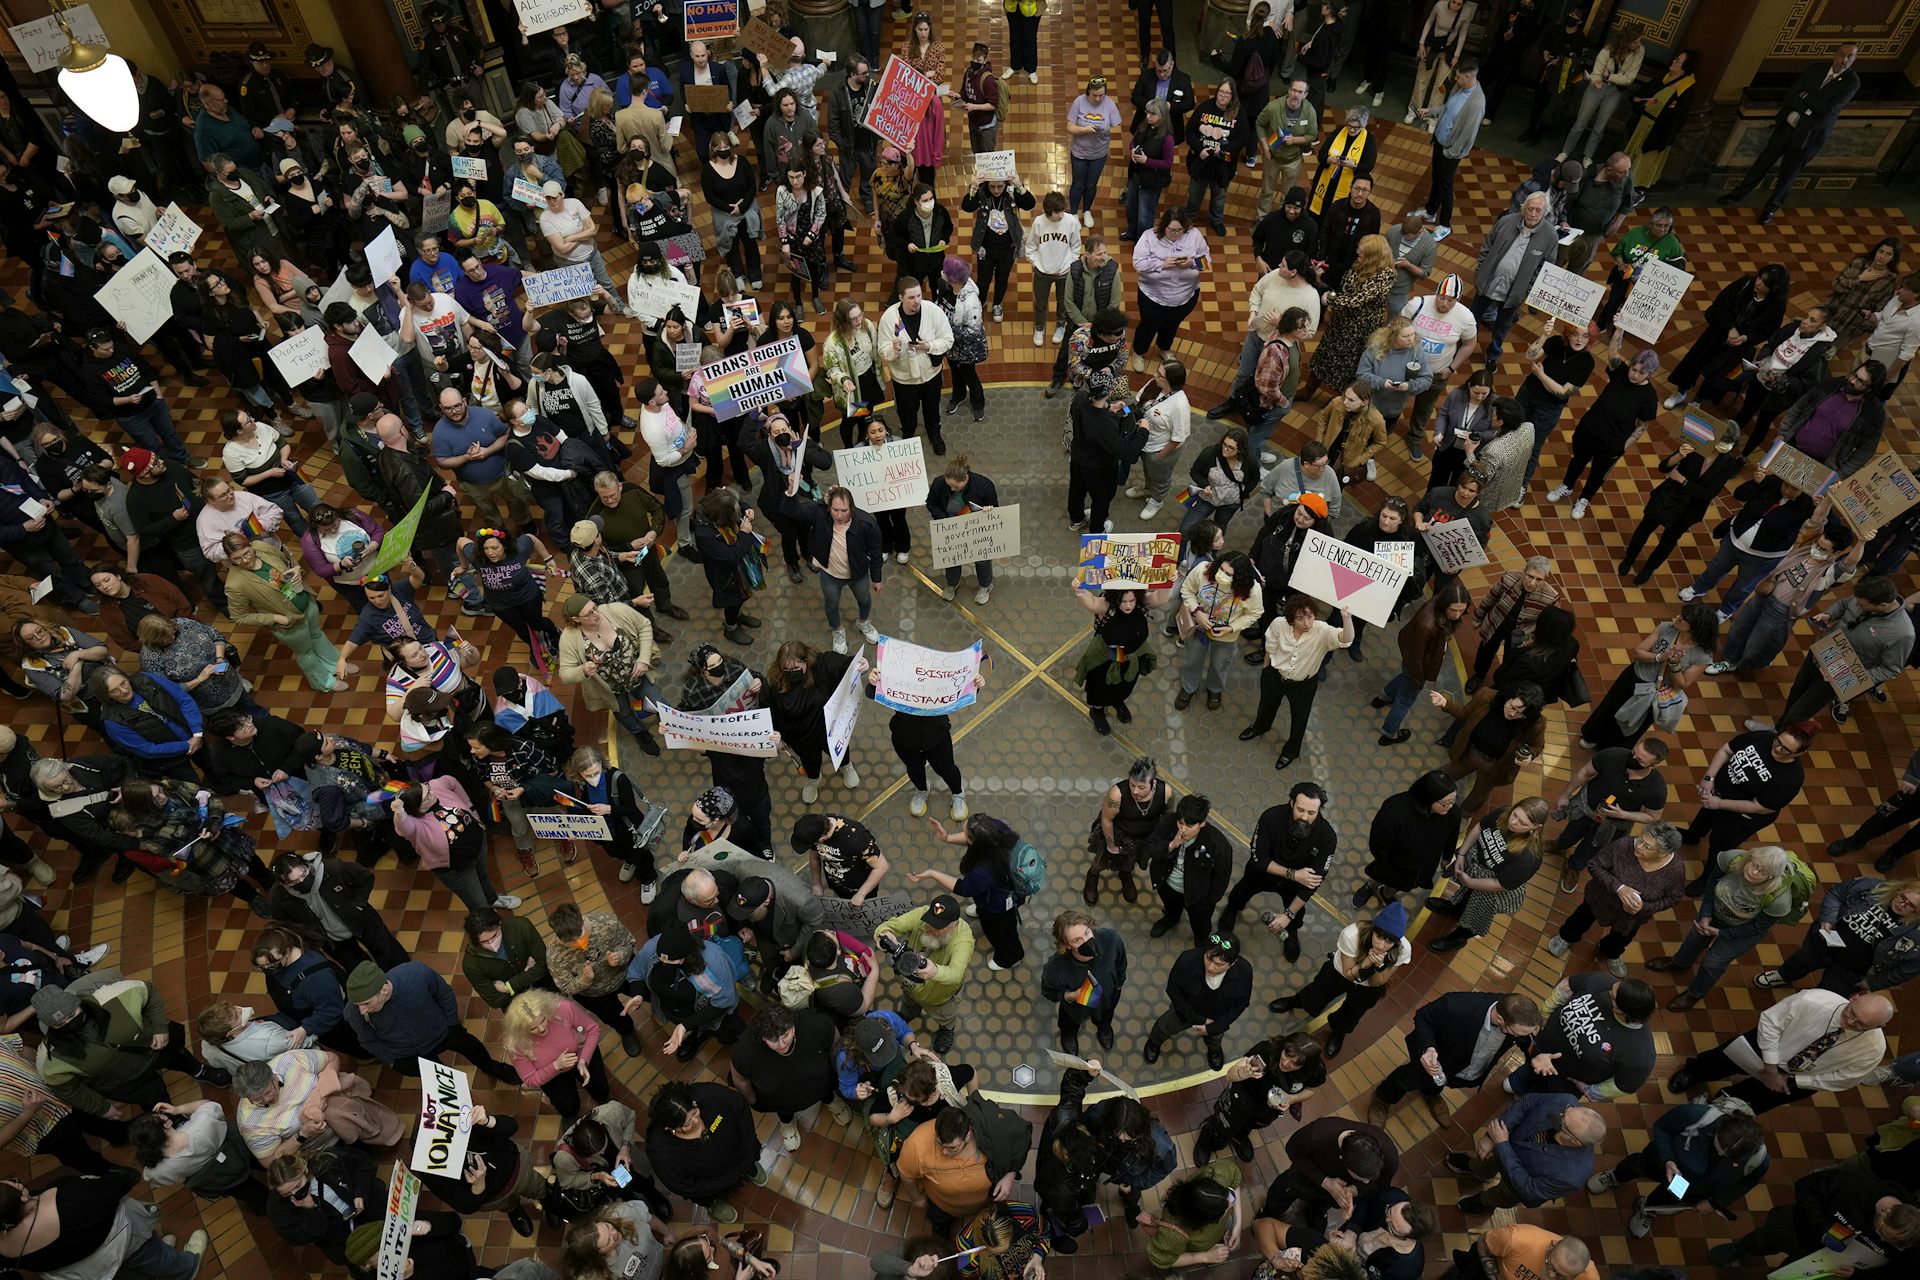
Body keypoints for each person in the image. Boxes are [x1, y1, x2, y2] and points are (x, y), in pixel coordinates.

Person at [32, 974, 231, 1117]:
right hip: (126, 1082)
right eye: (60, 1024)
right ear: (51, 1027)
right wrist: (101, 1108)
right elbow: (68, 1089)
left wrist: (160, 1028)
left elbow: (149, 991)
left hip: (153, 1049)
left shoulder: (111, 997)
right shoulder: (51, 1058)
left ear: (78, 1004)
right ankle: (171, 1119)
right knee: (154, 1098)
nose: (69, 1023)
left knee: (179, 1056)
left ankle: (199, 1071)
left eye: (72, 1015)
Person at [1669, 988, 1893, 1114]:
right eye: (1850, 1013)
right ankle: (1693, 1073)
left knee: (1754, 1101)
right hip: (1767, 1046)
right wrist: (1771, 1067)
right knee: (1718, 1061)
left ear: (1878, 1027)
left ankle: (1721, 1107)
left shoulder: (1873, 1050)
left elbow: (1843, 1079)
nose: (1849, 1022)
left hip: (1801, 1078)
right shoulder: (1813, 1000)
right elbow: (1769, 1022)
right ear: (1854, 997)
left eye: (1860, 1024)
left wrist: (1794, 1081)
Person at [1718, 45, 1861, 224]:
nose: (1845, 60)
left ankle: (1771, 209)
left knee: (1789, 173)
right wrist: (1808, 106)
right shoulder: (1816, 69)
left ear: (1855, 59)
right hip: (1787, 126)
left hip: (1809, 135)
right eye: (1842, 55)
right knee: (1764, 160)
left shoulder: (1852, 82)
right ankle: (1738, 194)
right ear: (1835, 55)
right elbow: (1792, 94)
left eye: (1850, 56)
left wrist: (1805, 97)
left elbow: (1828, 109)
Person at [1588, 1101, 1769, 1239]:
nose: (1721, 1153)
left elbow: (1747, 1183)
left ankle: (1649, 1210)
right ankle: (1615, 1177)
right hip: (1662, 1161)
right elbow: (1662, 1128)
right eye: (1720, 1145)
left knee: (1667, 1199)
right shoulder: (1695, 1115)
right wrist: (1668, 1159)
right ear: (1719, 1129)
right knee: (1635, 1166)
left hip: (1689, 1188)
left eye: (1730, 1156)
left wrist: (1715, 1203)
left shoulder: (1758, 1159)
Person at [1370, 990, 1540, 1126]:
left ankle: (1431, 1092)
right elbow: (1423, 1017)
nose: (1523, 1036)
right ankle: (1383, 1098)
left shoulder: (1517, 1019)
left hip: (1464, 1068)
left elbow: (1526, 1040)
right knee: (1407, 1079)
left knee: (1439, 1082)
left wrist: (1538, 1056)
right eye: (1518, 1033)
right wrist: (1428, 1048)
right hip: (1437, 1059)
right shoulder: (1457, 1005)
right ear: (1501, 1019)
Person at [340, 960, 520, 1082]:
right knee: (441, 1081)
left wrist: (452, 1024)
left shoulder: (416, 973)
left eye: (366, 1003)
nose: (362, 1010)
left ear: (385, 988)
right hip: (407, 1055)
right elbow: (368, 1040)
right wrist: (393, 1061)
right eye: (357, 1005)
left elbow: (444, 994)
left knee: (471, 1046)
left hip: (442, 1032)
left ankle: (493, 1069)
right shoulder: (353, 1011)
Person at [1276, 903, 1412, 1059]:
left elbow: (1377, 982)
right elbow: (1348, 974)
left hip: (1368, 988)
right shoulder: (1352, 935)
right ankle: (1297, 1001)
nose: (1382, 945)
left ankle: (1338, 1032)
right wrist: (1365, 963)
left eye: (1389, 942)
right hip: (1340, 973)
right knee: (1318, 991)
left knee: (1352, 1013)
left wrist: (1377, 965)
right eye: (1379, 937)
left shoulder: (1403, 949)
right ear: (1373, 930)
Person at [1551, 823, 1688, 977]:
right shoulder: (1623, 845)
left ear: (1663, 853)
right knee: (1581, 918)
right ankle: (1566, 937)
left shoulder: (1675, 869)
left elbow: (1674, 897)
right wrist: (1619, 888)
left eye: (1647, 846)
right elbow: (1595, 865)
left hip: (1632, 917)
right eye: (1639, 839)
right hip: (1600, 898)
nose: (1638, 846)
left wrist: (1644, 907)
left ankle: (1611, 953)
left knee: (1621, 938)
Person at [1217, 781, 1334, 960]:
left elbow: (1311, 884)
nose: (1304, 817)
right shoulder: (1270, 817)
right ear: (1292, 803)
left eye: (1311, 813)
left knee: (1296, 915)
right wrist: (1293, 874)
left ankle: (1291, 933)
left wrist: (1288, 915)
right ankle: (1232, 910)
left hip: (1294, 885)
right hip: (1262, 874)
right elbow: (1258, 859)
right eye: (1300, 810)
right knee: (1239, 894)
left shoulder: (1327, 836)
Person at [231, 1048, 404, 1163]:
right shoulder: (251, 1123)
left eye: (269, 1091)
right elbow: (270, 1160)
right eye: (257, 1100)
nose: (266, 1100)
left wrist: (320, 1093)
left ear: (274, 1077)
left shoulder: (289, 1061)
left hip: (347, 1111)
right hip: (324, 1149)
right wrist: (302, 1135)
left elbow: (331, 1059)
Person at [895, 1090, 1034, 1233]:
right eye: (939, 1144)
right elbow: (906, 1173)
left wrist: (1010, 1175)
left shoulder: (994, 1130)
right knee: (939, 1222)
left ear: (968, 1134)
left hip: (986, 1202)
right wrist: (916, 1198)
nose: (944, 1152)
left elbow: (1022, 1137)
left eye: (952, 1148)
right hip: (942, 1206)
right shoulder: (916, 1144)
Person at [1448, 1092, 1606, 1214]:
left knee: (1502, 1196)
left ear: (1574, 1141)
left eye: (1562, 1122)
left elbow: (1527, 1191)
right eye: (1566, 1111)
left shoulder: (1571, 1177)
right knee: (1486, 1161)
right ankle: (1478, 1169)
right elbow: (1526, 1103)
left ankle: (1483, 1202)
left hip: (1515, 1182)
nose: (1558, 1114)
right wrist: (1491, 1138)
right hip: (1506, 1142)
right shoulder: (1567, 1101)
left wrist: (1502, 1144)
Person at [1426, 796, 1549, 953]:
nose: (1513, 822)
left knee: (1476, 916)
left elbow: (1501, 884)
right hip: (1477, 870)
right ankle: (1454, 909)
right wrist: (1462, 854)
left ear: (1536, 827)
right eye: (1515, 815)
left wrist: (1470, 882)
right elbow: (1479, 828)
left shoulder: (1529, 856)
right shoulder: (1504, 813)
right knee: (1465, 896)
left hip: (1493, 888)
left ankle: (1459, 937)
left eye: (1522, 823)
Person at [1508, 972, 1658, 1100]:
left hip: (1562, 1085)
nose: (1606, 992)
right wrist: (1545, 1013)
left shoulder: (1640, 1053)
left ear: (1625, 1011)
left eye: (1612, 997)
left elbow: (1624, 1086)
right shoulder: (1602, 981)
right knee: (1517, 1080)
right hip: (1539, 1051)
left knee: (1537, 1106)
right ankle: (1518, 1083)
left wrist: (1589, 1091)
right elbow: (1566, 986)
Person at [1663, 264, 1791, 411]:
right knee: (1695, 362)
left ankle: (1698, 399)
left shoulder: (1777, 305)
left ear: (1774, 288)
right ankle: (1680, 393)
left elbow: (1767, 330)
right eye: (1759, 277)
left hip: (1739, 345)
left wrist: (1746, 338)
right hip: (1717, 333)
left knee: (1717, 373)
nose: (1758, 282)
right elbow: (1718, 306)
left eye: (1765, 282)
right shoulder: (1745, 283)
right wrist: (1730, 328)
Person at [644, 1081, 767, 1224]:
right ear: (669, 1129)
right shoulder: (661, 1154)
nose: (695, 1121)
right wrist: (733, 1177)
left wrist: (749, 1154)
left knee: (749, 1155)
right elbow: (687, 1187)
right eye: (687, 1124)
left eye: (694, 1112)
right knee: (709, 1196)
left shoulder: (708, 1094)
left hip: (740, 1154)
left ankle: (750, 1166)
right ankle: (714, 1203)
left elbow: (740, 1108)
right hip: (710, 1184)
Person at [874, 895, 973, 1054]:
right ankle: (908, 1014)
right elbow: (895, 924)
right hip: (910, 986)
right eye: (930, 921)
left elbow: (956, 974)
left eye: (939, 926)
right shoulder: (922, 914)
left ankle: (946, 1029)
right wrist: (884, 932)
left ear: (954, 924)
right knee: (908, 1002)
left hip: (939, 996)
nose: (931, 927)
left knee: (945, 1016)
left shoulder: (963, 941)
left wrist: (935, 971)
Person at [500, 988, 610, 1123]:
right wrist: (556, 1066)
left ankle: (604, 1098)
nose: (541, 1029)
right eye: (532, 1028)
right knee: (568, 1107)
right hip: (552, 1077)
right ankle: (571, 1115)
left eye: (542, 1020)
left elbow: (592, 1029)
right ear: (521, 1029)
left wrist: (583, 1060)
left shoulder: (563, 1008)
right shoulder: (515, 1043)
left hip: (581, 1054)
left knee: (599, 1086)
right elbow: (530, 1079)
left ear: (547, 1011)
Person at [1265, 1115, 1397, 1222]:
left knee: (1323, 1203)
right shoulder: (1317, 1134)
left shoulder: (1390, 1156)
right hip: (1307, 1177)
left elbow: (1380, 1184)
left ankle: (1317, 1210)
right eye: (1361, 1178)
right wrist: (1325, 1182)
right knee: (1286, 1190)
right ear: (1342, 1161)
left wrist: (1353, 1190)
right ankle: (1268, 1212)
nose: (1366, 1183)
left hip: (1331, 1195)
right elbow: (1293, 1149)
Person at [1307, 232, 1392, 395]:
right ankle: (1309, 390)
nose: (1357, 254)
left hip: (1357, 332)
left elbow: (1355, 300)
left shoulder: (1383, 277)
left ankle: (1340, 400)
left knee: (1347, 366)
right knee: (1324, 355)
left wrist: (1331, 299)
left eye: (1362, 253)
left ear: (1373, 256)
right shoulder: (1361, 264)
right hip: (1340, 323)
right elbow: (1346, 288)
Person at [879, 276, 955, 455]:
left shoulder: (933, 311)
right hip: (904, 379)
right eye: (911, 298)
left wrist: (928, 346)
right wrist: (894, 349)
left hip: (931, 375)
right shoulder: (890, 318)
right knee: (907, 413)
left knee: (932, 409)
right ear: (900, 298)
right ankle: (908, 435)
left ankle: (934, 434)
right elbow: (882, 350)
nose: (917, 301)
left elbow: (948, 339)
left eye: (919, 295)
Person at [1039, 910, 1126, 1055]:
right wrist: (1071, 996)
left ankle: (1103, 1028)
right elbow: (1049, 992)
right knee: (1069, 1023)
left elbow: (1120, 963)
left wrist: (1117, 986)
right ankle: (1068, 1035)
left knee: (1106, 1016)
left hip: (1107, 999)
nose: (1087, 942)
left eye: (1087, 933)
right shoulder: (1056, 967)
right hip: (1075, 1007)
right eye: (1077, 940)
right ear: (1066, 945)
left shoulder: (1111, 940)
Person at [1142, 1159, 1242, 1271]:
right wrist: (1205, 1256)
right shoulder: (1173, 1234)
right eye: (1223, 1211)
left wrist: (1237, 1224)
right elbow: (1162, 1258)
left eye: (1229, 1194)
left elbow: (1234, 1180)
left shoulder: (1218, 1175)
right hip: (1196, 1249)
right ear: (1202, 1222)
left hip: (1219, 1231)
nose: (1232, 1203)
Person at [1452, 1226, 1599, 1280]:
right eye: (1550, 1266)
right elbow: (1484, 1242)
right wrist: (1494, 1276)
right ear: (1552, 1246)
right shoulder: (1517, 1238)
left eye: (1561, 1277)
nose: (1552, 1276)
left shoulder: (1588, 1277)